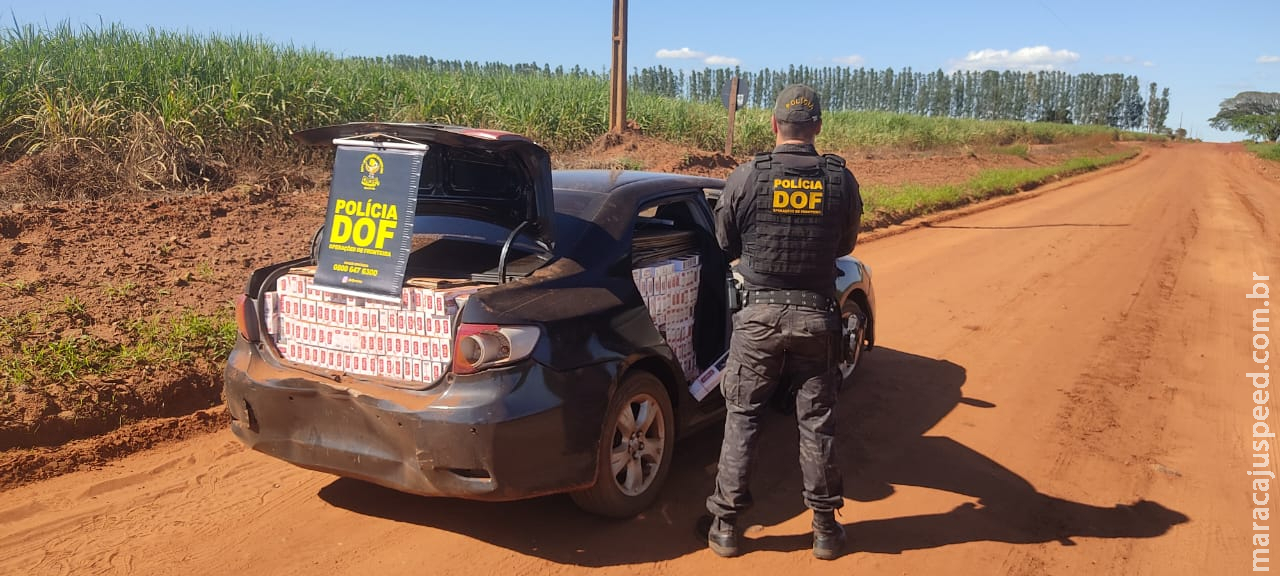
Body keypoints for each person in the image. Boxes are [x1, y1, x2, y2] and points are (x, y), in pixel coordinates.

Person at [705, 84, 863, 560]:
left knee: (743, 417)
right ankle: (824, 531)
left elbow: (723, 242)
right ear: (816, 127)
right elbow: (847, 244)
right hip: (817, 314)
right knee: (817, 421)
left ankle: (727, 527)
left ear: (774, 126)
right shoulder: (840, 179)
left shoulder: (748, 176)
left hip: (758, 319)